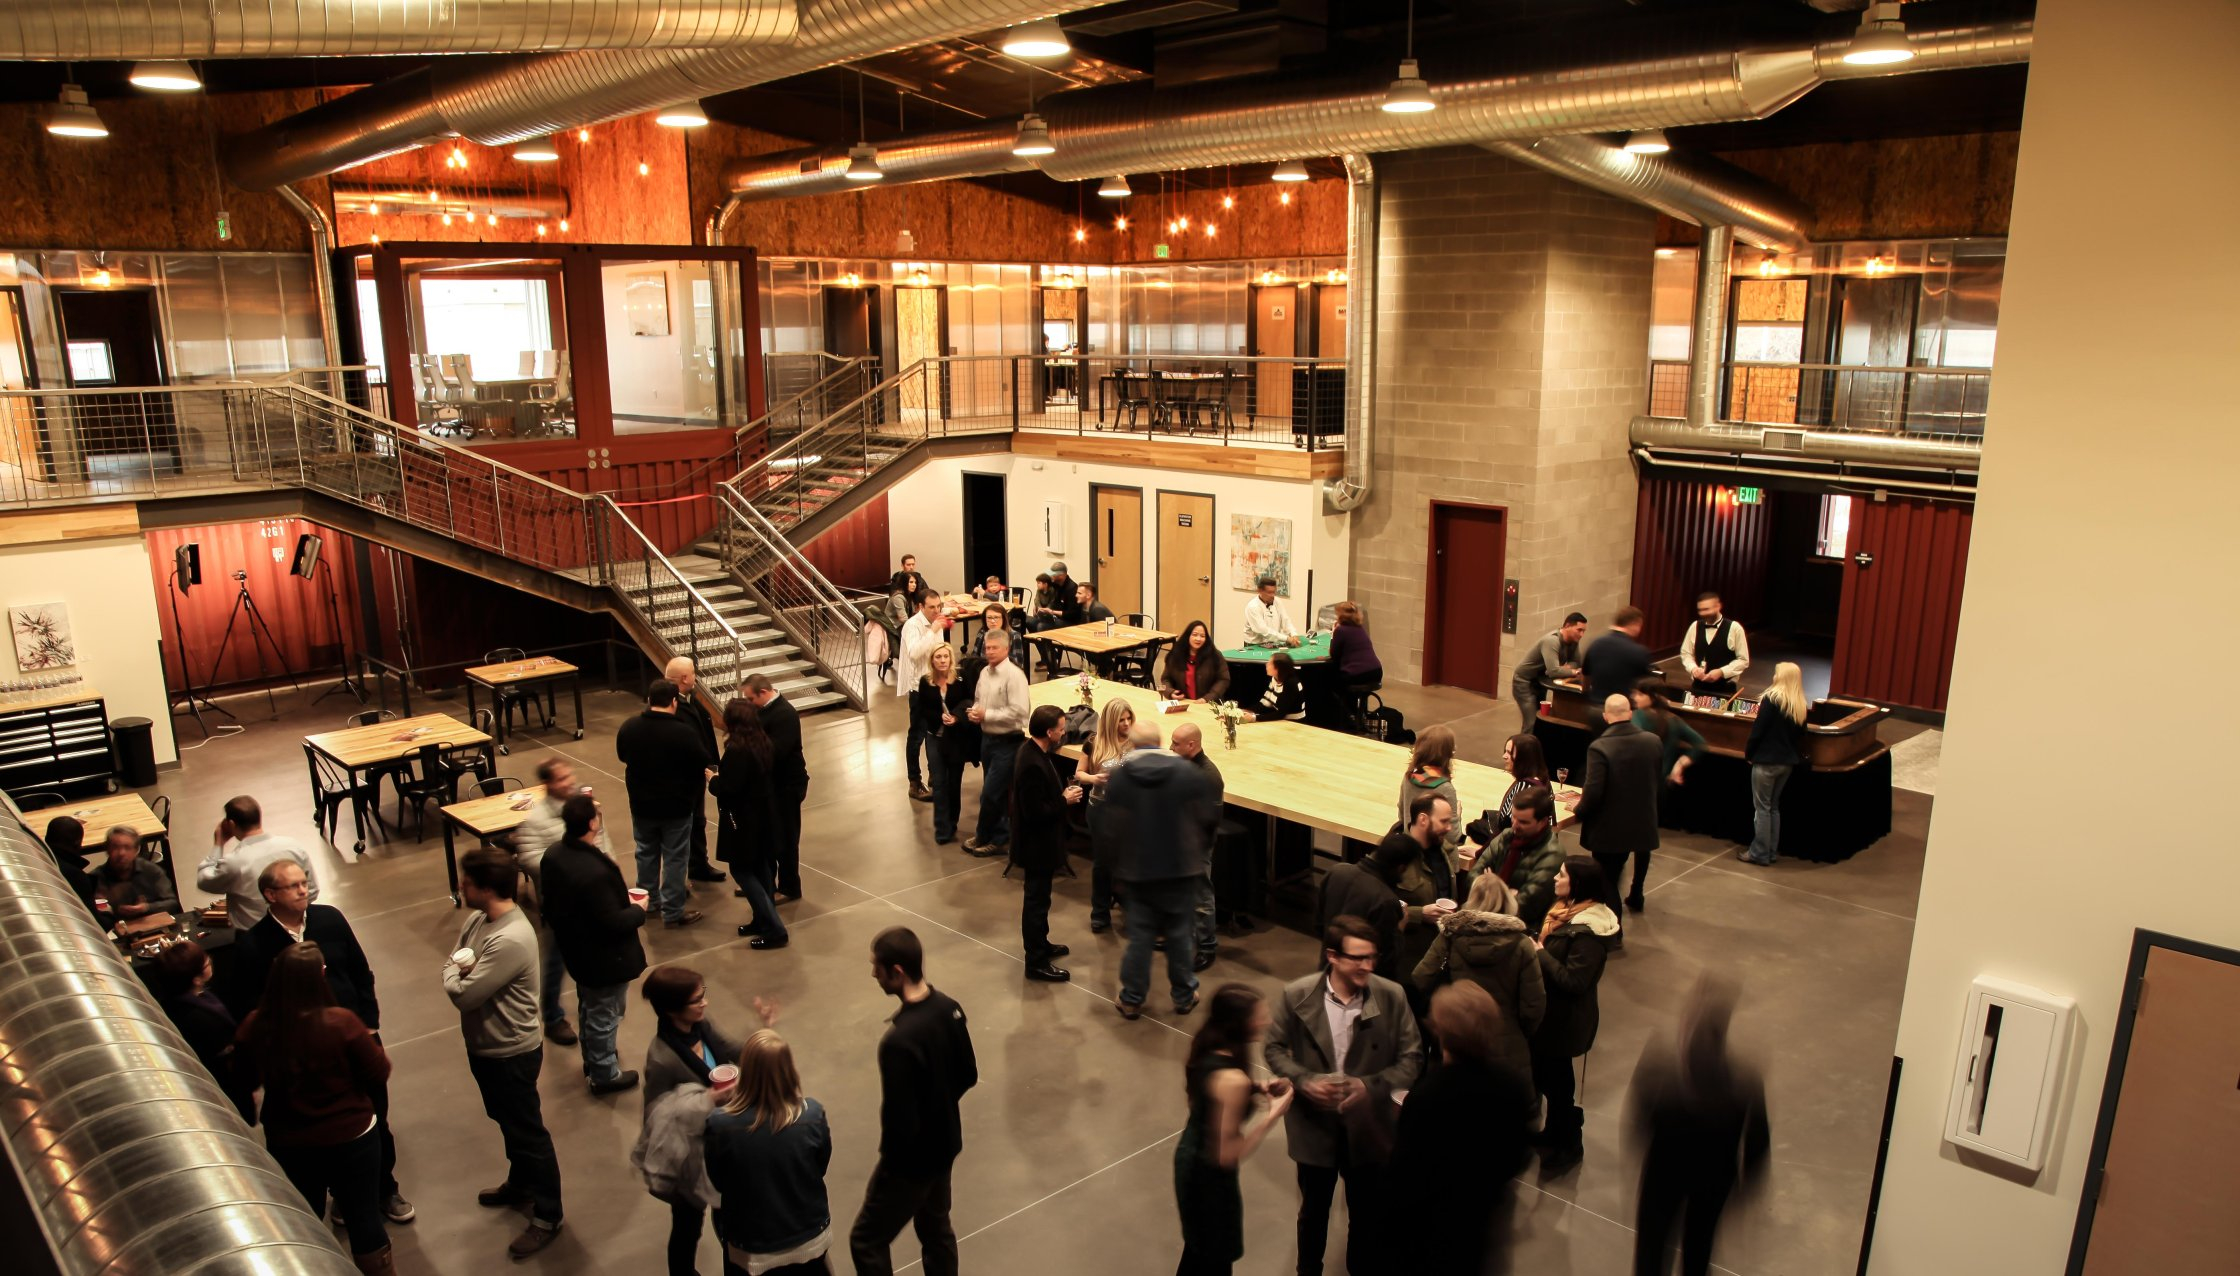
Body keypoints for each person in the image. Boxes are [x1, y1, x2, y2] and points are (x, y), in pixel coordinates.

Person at [237, 859, 411, 1225]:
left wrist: (369, 1024)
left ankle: (385, 1188)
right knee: (323, 1136)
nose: (303, 890)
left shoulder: (329, 919)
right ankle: (344, 1196)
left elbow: (361, 971)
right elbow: (253, 1002)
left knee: (375, 1118)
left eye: (304, 882)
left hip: (354, 1038)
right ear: (270, 894)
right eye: (293, 885)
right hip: (304, 1053)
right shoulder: (255, 943)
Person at [1264, 916, 1423, 1276]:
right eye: (1358, 958)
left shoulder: (1392, 996)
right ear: (1333, 956)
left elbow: (1412, 1058)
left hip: (1367, 1128)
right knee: (1313, 1213)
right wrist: (1305, 1080)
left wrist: (1369, 1086)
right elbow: (1273, 1049)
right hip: (1314, 1128)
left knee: (1366, 1213)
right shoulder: (1297, 994)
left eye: (1372, 957)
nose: (1367, 966)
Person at [233, 943, 394, 1273]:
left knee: (304, 1218)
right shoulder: (341, 1023)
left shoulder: (255, 1026)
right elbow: (378, 1072)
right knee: (364, 1217)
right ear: (319, 977)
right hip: (352, 1136)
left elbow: (243, 1079)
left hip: (290, 1140)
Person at [445, 848, 564, 1258]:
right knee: (508, 1122)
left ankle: (548, 1214)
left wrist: (453, 975)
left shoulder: (510, 938)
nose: (461, 886)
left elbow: (464, 994)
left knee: (528, 1132)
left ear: (486, 888)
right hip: (486, 1047)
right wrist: (456, 972)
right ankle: (522, 1183)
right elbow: (455, 962)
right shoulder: (478, 920)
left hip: (510, 1052)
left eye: (466, 881)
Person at [850, 927, 977, 1276]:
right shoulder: (950, 1008)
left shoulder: (898, 1043)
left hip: (911, 1165)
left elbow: (900, 1121)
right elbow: (968, 1074)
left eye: (877, 967)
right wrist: (940, 1107)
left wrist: (890, 1170)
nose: (873, 974)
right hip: (945, 1144)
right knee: (936, 1228)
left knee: (866, 1240)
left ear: (897, 972)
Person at [1386, 982, 1536, 1275]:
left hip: (1430, 1234)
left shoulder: (1427, 1096)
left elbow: (1405, 1178)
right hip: (1481, 1226)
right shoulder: (1511, 1087)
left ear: (1440, 1032)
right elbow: (1517, 1157)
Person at [1626, 976, 1771, 1276]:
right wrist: (1745, 1187)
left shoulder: (1660, 1067)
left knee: (1652, 1252)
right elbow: (1757, 1143)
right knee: (1698, 1249)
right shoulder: (1745, 1079)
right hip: (1713, 1184)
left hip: (1662, 1179)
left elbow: (1641, 1118)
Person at [1173, 984, 1294, 1276]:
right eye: (1259, 1016)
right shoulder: (1233, 1080)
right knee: (1213, 1258)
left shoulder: (1209, 1047)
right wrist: (1272, 1116)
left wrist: (1256, 1087)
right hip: (1208, 1178)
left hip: (1190, 1158)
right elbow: (1227, 1155)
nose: (1267, 1021)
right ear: (1239, 1023)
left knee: (1198, 1252)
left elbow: (1210, 1093)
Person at [1106, 721, 1221, 1020]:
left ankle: (1131, 999)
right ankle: (1184, 996)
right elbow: (1208, 819)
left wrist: (1116, 868)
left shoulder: (1121, 777)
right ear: (1159, 742)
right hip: (1180, 870)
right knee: (1179, 936)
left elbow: (1112, 827)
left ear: (1133, 744)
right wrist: (1196, 853)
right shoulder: (1187, 773)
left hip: (1138, 871)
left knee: (1141, 937)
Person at [539, 793, 649, 1093]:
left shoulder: (554, 855)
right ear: (592, 823)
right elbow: (613, 922)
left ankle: (593, 1058)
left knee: (589, 1006)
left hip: (576, 950)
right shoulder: (593, 873)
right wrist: (638, 910)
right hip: (604, 957)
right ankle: (604, 1074)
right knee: (605, 1013)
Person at [640, 966, 745, 1276]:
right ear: (672, 1009)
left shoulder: (702, 1026)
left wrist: (763, 1037)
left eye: (703, 995)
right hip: (691, 1156)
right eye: (696, 1000)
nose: (704, 1003)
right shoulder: (662, 1058)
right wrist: (707, 1101)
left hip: (721, 1143)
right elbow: (656, 1116)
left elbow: (731, 1049)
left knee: (729, 1220)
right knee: (687, 1226)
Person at [708, 1030, 837, 1275]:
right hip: (809, 1238)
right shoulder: (812, 1115)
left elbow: (718, 1181)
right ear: (788, 1069)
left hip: (751, 1249)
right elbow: (820, 1167)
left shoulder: (720, 1125)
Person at [1412, 872, 1546, 1087]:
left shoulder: (1451, 935)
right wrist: (1517, 1031)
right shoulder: (1522, 944)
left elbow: (1421, 976)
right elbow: (1534, 1004)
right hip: (1506, 1043)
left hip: (1457, 1038)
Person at [1533, 855, 1621, 1174]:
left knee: (1558, 1086)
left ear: (1578, 884)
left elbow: (1575, 981)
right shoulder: (1565, 911)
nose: (1555, 879)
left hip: (1564, 1022)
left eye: (1562, 875)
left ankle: (1569, 1144)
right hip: (1549, 1016)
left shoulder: (1588, 933)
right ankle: (1553, 1133)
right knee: (1549, 1078)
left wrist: (1541, 954)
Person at [617, 678, 712, 930]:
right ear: (674, 702)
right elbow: (701, 760)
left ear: (649, 700)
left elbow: (622, 755)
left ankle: (648, 902)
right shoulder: (683, 732)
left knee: (645, 853)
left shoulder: (630, 727)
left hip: (641, 806)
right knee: (675, 859)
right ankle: (672, 911)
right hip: (676, 808)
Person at [513, 756, 591, 1045]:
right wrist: (571, 864)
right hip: (562, 904)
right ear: (546, 783)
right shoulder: (536, 820)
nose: (569, 782)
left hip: (590, 901)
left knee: (590, 963)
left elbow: (600, 839)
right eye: (561, 778)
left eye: (570, 775)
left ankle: (590, 1015)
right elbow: (529, 858)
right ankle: (553, 1018)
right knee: (556, 963)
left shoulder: (582, 806)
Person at [1575, 693, 1664, 916]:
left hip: (1611, 827)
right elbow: (1655, 778)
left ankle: (1614, 926)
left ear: (1605, 716)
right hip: (1643, 817)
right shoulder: (1653, 741)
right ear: (1630, 714)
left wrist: (1578, 811)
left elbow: (1593, 791)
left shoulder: (1600, 747)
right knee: (1638, 853)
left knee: (1607, 881)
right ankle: (1637, 892)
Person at [710, 697, 788, 948]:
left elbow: (729, 789)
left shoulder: (737, 751)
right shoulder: (763, 742)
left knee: (742, 871)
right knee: (761, 869)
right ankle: (761, 920)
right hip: (763, 817)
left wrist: (713, 780)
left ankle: (774, 929)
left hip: (744, 821)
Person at [1011, 704, 1081, 983]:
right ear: (1050, 732)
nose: (1064, 733)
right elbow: (1035, 812)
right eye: (1061, 729)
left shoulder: (1034, 752)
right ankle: (1036, 961)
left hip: (1040, 844)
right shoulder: (1031, 763)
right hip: (1035, 846)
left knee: (1042, 899)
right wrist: (1065, 800)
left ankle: (1042, 944)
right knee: (1036, 903)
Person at [151, 940, 251, 1120]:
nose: (210, 960)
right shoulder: (198, 1018)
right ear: (196, 979)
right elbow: (225, 1061)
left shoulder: (175, 1000)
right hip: (223, 1088)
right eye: (205, 962)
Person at [196, 795, 318, 927]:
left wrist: (218, 844)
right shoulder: (293, 846)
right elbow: (312, 890)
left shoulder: (235, 862)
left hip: (254, 934)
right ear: (259, 817)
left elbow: (205, 882)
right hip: (297, 928)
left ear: (231, 824)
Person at [1385, 790, 1461, 996]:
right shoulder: (1394, 855)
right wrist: (1420, 914)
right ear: (1423, 820)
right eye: (1444, 821)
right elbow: (1377, 906)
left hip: (1437, 958)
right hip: (1407, 963)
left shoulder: (1443, 850)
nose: (1449, 827)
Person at [963, 629, 1029, 859]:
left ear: (1006, 649)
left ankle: (996, 839)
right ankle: (988, 836)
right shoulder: (984, 673)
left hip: (1008, 742)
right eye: (987, 648)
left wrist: (987, 715)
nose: (989, 652)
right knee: (996, 794)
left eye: (994, 648)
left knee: (990, 794)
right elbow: (979, 700)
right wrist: (975, 712)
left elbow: (1020, 712)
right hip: (987, 741)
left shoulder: (1015, 676)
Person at [747, 673, 811, 900]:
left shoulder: (784, 714)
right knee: (769, 836)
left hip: (787, 785)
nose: (749, 704)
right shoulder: (763, 710)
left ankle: (789, 887)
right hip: (772, 785)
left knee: (786, 838)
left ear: (763, 693)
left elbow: (777, 751)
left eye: (750, 698)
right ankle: (766, 883)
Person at [1740, 661, 1810, 867]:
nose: (1773, 676)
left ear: (1781, 677)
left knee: (1761, 808)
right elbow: (1800, 735)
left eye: (1776, 673)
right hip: (1786, 763)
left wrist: (1749, 753)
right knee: (1773, 807)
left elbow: (1758, 730)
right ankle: (1771, 851)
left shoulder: (1771, 699)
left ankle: (1759, 852)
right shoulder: (1799, 704)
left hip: (1766, 761)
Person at [667, 656, 730, 885]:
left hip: (697, 771)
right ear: (685, 678)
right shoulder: (672, 704)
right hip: (683, 775)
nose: (696, 675)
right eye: (693, 672)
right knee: (685, 823)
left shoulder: (691, 697)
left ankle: (698, 864)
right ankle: (681, 874)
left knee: (698, 820)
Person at [1169, 722, 1226, 972]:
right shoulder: (1185, 766)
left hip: (1196, 846)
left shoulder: (1208, 777)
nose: (1171, 747)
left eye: (1176, 743)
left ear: (1191, 745)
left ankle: (1207, 947)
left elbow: (1208, 819)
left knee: (1201, 898)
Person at [1079, 696, 1139, 933]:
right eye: (1121, 720)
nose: (1126, 724)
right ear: (1110, 722)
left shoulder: (1136, 742)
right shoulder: (1094, 742)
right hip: (1101, 809)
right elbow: (1080, 773)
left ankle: (1130, 908)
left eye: (1129, 719)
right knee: (1103, 863)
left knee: (1129, 861)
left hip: (1128, 810)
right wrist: (1094, 778)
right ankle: (1100, 912)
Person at [1312, 837, 1410, 977]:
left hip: (1328, 970)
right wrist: (1399, 929)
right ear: (1401, 868)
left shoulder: (1336, 871)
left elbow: (1318, 925)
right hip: (1360, 980)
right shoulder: (1386, 900)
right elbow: (1386, 961)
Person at [1479, 785, 1567, 932]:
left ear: (1543, 822)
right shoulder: (1507, 836)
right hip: (1487, 920)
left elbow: (1526, 906)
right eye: (1513, 817)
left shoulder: (1553, 855)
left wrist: (1491, 888)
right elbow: (1474, 876)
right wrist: (1506, 893)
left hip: (1521, 931)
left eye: (1523, 822)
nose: (1515, 825)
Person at [914, 643, 976, 845]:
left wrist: (956, 717)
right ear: (932, 660)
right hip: (934, 737)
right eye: (938, 657)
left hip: (956, 738)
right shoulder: (925, 682)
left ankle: (952, 821)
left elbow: (969, 701)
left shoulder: (961, 678)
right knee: (939, 783)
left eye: (945, 656)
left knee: (954, 782)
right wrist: (939, 717)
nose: (942, 660)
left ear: (951, 659)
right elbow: (923, 710)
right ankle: (942, 828)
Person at [896, 594, 952, 802]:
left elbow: (939, 653)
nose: (936, 611)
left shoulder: (936, 622)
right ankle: (914, 782)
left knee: (935, 734)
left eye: (939, 606)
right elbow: (914, 653)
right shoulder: (913, 625)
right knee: (917, 735)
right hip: (919, 689)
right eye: (931, 607)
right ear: (920, 606)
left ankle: (935, 775)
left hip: (935, 686)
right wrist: (933, 630)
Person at [1512, 610, 1588, 730]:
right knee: (1531, 723)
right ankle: (1524, 742)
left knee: (1541, 721)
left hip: (1540, 682)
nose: (1581, 634)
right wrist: (1575, 672)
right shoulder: (1552, 641)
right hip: (1524, 682)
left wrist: (1564, 668)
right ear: (1567, 626)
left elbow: (1576, 662)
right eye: (1579, 630)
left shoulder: (1573, 642)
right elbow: (1554, 672)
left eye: (1584, 631)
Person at [1634, 676, 1708, 791]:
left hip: (1638, 782)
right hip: (1663, 784)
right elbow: (1700, 743)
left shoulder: (1637, 716)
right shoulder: (1674, 719)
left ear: (1654, 697)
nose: (1635, 698)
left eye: (1640, 694)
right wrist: (1680, 764)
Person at [93, 824, 179, 917]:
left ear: (136, 850)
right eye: (115, 847)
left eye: (127, 847)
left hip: (150, 922)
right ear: (107, 850)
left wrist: (146, 908)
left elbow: (172, 903)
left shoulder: (151, 871)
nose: (121, 853)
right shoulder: (95, 879)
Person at [1678, 591, 1751, 700]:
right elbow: (1686, 653)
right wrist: (1693, 668)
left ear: (1718, 606)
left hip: (1724, 690)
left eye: (1706, 609)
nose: (1703, 613)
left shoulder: (1735, 628)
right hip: (1698, 688)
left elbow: (1743, 660)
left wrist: (1721, 672)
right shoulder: (1695, 626)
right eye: (1700, 610)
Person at [1580, 607, 1654, 712]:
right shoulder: (1638, 652)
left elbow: (1585, 675)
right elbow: (1647, 687)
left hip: (1596, 710)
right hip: (1623, 714)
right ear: (1635, 624)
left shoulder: (1595, 644)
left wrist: (1586, 694)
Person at [1491, 731, 1553, 837]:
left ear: (1523, 758)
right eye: (1505, 751)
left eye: (1509, 753)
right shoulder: (1543, 778)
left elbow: (1511, 826)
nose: (1504, 756)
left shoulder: (1527, 786)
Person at [41, 814, 100, 919]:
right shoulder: (75, 876)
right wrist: (112, 914)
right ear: (78, 843)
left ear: (45, 839)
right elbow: (93, 920)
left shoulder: (37, 861)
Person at [1158, 620, 1231, 703]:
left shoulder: (1214, 655)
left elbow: (1223, 680)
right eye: (1195, 635)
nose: (1198, 639)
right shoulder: (1176, 654)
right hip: (1184, 702)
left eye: (1202, 636)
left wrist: (1207, 698)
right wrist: (1170, 692)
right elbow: (1166, 679)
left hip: (1209, 704)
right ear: (1188, 636)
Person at [1328, 600, 1383, 696]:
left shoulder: (1340, 630)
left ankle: (1345, 705)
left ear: (1341, 616)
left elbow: (1334, 654)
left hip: (1357, 675)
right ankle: (1361, 704)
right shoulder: (1360, 628)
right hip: (1376, 672)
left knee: (1327, 679)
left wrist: (1333, 633)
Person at [1241, 576, 1301, 649]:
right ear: (1259, 591)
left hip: (1272, 643)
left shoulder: (1277, 601)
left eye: (1274, 592)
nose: (1273, 595)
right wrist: (1287, 638)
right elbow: (1263, 630)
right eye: (1269, 592)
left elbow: (1286, 620)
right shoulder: (1253, 607)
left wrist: (1294, 634)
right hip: (1254, 645)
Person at [1247, 652, 1306, 722]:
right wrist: (1247, 711)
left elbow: (1280, 714)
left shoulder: (1291, 683)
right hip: (1281, 719)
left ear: (1278, 668)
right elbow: (1266, 703)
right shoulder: (1275, 678)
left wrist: (1254, 718)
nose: (1266, 664)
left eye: (1270, 663)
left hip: (1294, 722)